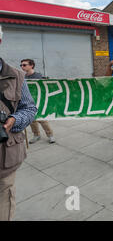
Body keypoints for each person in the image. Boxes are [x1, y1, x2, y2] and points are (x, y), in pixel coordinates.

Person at [0, 27, 37, 221]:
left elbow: (30, 109)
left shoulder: (16, 76)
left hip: (5, 157)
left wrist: (14, 121)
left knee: (4, 202)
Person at [19, 59, 55, 144]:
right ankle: (36, 135)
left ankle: (50, 135)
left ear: (31, 65)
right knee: (32, 120)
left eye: (24, 65)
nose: (22, 67)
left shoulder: (38, 76)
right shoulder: (22, 76)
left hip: (39, 101)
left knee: (42, 119)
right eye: (21, 65)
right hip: (28, 102)